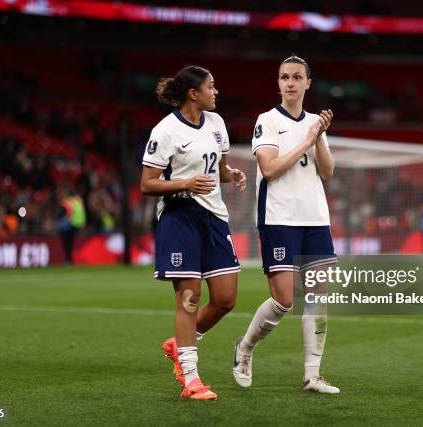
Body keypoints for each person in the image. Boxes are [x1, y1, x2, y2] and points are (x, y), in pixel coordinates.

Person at [232, 55, 340, 394]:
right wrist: (308, 139)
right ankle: (245, 347)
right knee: (283, 300)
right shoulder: (267, 121)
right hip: (279, 217)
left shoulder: (314, 123)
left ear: (308, 83)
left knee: (319, 295)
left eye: (296, 77)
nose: (290, 83)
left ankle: (312, 374)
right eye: (284, 77)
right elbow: (270, 169)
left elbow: (327, 172)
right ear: (278, 83)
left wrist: (319, 136)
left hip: (315, 217)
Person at [140, 65, 247, 401]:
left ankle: (180, 342)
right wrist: (185, 183)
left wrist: (233, 175)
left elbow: (220, 169)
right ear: (193, 93)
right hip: (179, 217)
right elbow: (147, 183)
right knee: (189, 299)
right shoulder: (166, 130)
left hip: (214, 217)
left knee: (226, 299)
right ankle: (191, 379)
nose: (216, 92)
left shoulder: (217, 124)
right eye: (211, 86)